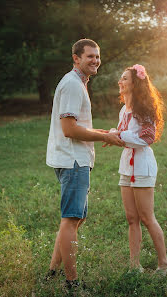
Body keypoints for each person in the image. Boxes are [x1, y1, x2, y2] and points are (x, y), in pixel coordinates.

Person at [46, 39, 125, 289]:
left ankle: (52, 273)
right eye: (89, 56)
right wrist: (104, 136)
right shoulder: (72, 84)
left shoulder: (78, 83)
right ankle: (72, 283)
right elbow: (69, 129)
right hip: (73, 160)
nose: (95, 61)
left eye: (97, 56)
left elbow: (78, 124)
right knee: (71, 219)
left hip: (75, 159)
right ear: (76, 58)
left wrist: (105, 132)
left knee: (76, 219)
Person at [110, 64, 167, 274]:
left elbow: (147, 138)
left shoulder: (143, 109)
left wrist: (119, 136)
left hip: (143, 166)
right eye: (121, 78)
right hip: (127, 165)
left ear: (135, 83)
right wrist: (111, 135)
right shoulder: (124, 110)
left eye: (124, 79)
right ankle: (134, 266)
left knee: (147, 217)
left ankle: (165, 264)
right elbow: (123, 135)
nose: (120, 82)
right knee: (131, 218)